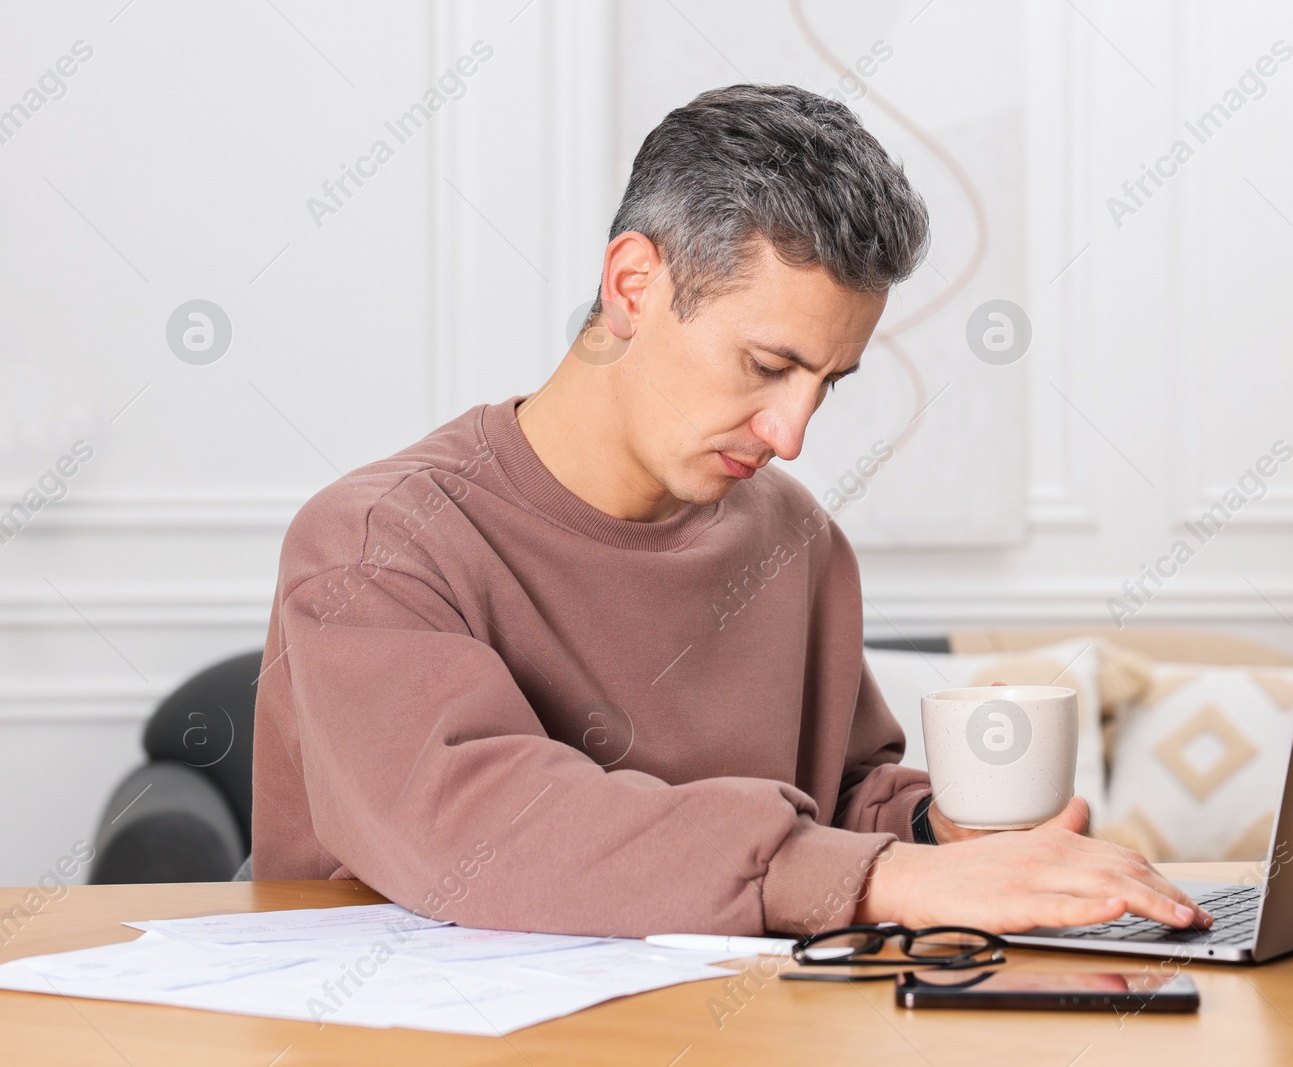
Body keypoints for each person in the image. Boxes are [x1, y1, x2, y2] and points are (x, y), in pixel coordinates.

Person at [253, 83, 1210, 938]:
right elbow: (481, 826)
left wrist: (936, 827)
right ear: (633, 285)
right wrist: (890, 879)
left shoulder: (792, 537)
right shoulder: (374, 546)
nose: (791, 433)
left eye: (826, 383)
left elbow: (838, 795)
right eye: (767, 365)